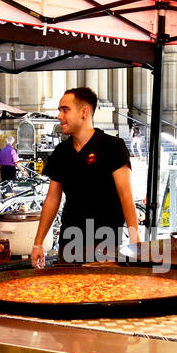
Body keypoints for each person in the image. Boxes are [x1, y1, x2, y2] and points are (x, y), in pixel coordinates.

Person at [31, 86, 140, 266]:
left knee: (101, 293)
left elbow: (126, 195)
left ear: (85, 112)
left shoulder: (112, 146)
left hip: (105, 242)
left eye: (65, 110)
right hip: (69, 243)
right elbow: (52, 199)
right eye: (59, 110)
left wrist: (135, 242)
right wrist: (38, 243)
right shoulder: (61, 152)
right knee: (66, 292)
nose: (59, 116)